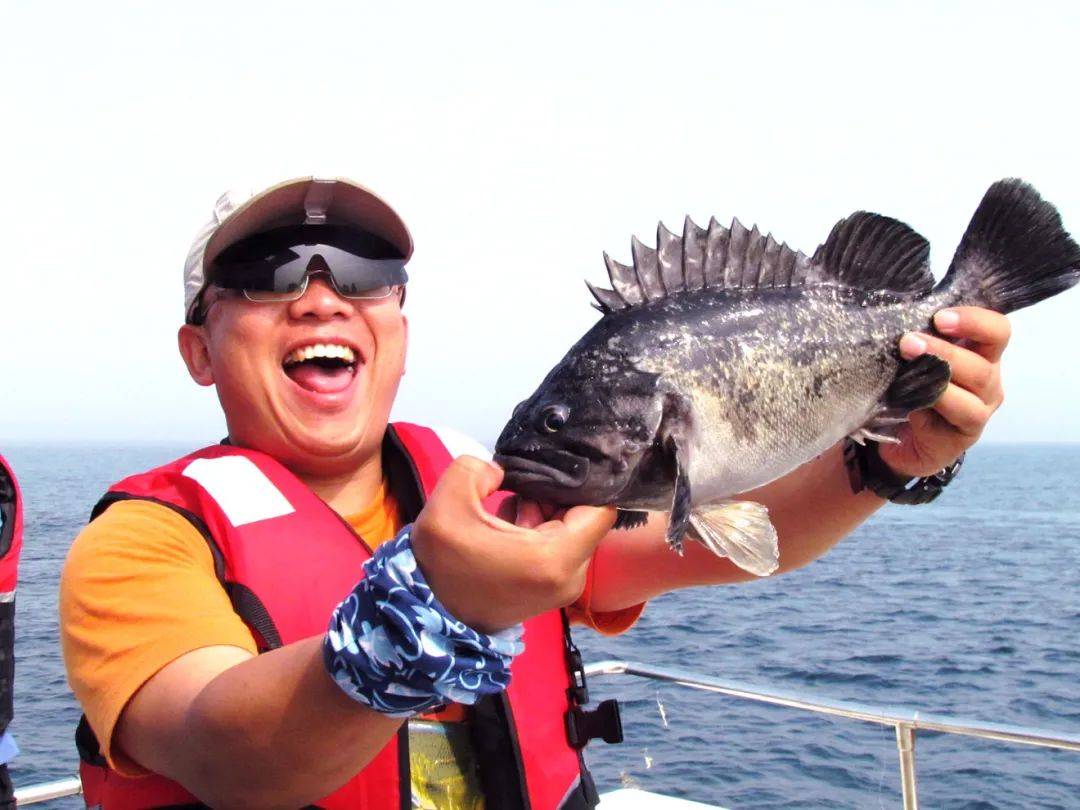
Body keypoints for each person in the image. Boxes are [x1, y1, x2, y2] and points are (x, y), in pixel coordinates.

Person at [59, 176, 1009, 809]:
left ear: (396, 319)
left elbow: (721, 538)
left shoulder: (485, 487)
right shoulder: (148, 541)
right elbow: (227, 752)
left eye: (363, 271)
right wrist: (434, 615)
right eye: (265, 274)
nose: (321, 296)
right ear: (197, 348)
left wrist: (892, 461)